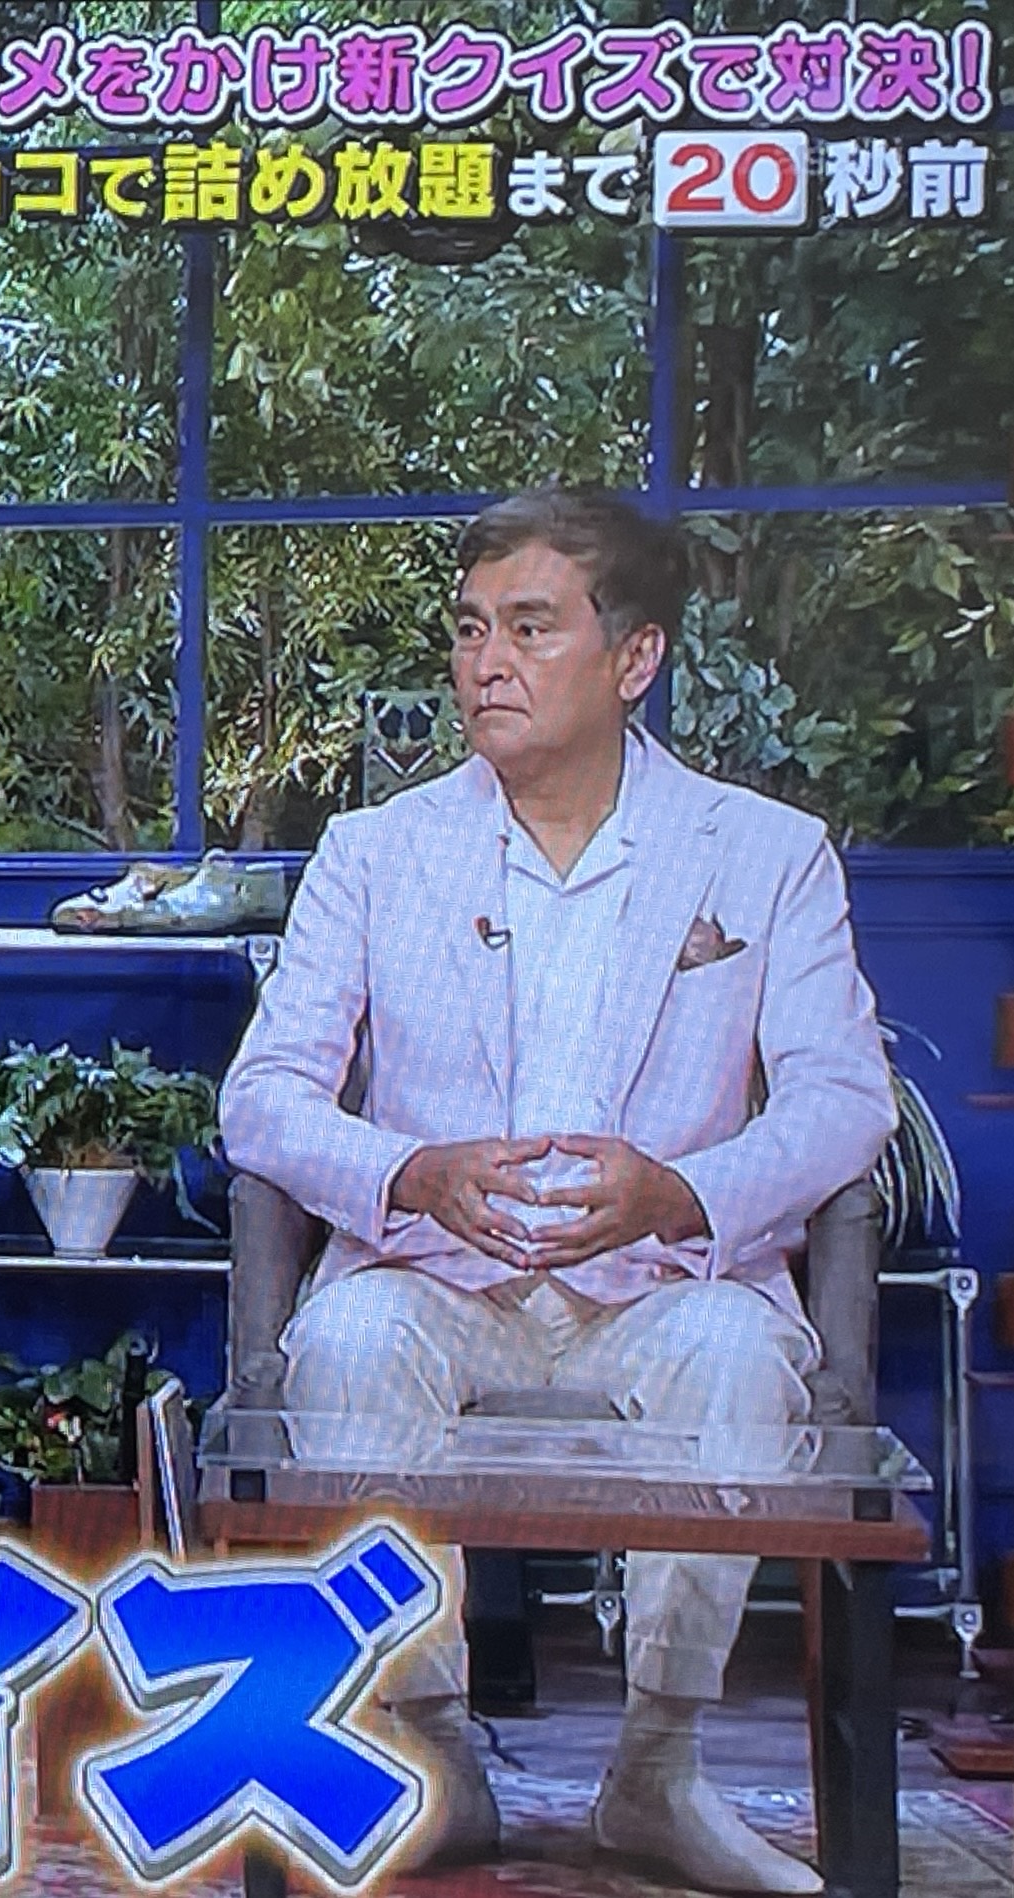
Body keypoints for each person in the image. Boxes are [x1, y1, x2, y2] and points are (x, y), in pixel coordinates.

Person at [221, 489, 893, 1895]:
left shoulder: (764, 852)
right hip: (433, 1276)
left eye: (529, 629)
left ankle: (657, 1764)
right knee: (347, 1344)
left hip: (667, 1284)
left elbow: (842, 1102)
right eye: (470, 630)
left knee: (735, 1360)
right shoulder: (374, 852)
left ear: (634, 657)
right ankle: (433, 1745)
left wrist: (679, 1193)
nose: (485, 664)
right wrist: (408, 1171)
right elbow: (262, 1097)